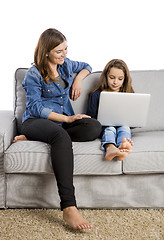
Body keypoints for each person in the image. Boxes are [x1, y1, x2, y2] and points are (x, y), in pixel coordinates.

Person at [13, 28, 101, 230]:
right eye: (59, 51)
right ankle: (69, 207)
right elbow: (35, 107)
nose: (65, 54)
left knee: (93, 127)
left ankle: (39, 138)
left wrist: (78, 78)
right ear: (46, 52)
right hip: (36, 121)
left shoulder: (66, 65)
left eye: (66, 49)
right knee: (61, 136)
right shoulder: (33, 74)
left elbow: (87, 66)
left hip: (60, 125)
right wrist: (68, 118)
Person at [86, 59, 134, 161]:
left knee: (125, 128)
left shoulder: (128, 94)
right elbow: (90, 117)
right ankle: (110, 148)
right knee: (110, 129)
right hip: (104, 127)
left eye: (120, 79)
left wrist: (130, 121)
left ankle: (122, 147)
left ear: (125, 80)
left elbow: (133, 120)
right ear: (106, 77)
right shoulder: (96, 94)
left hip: (123, 126)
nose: (115, 82)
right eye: (112, 78)